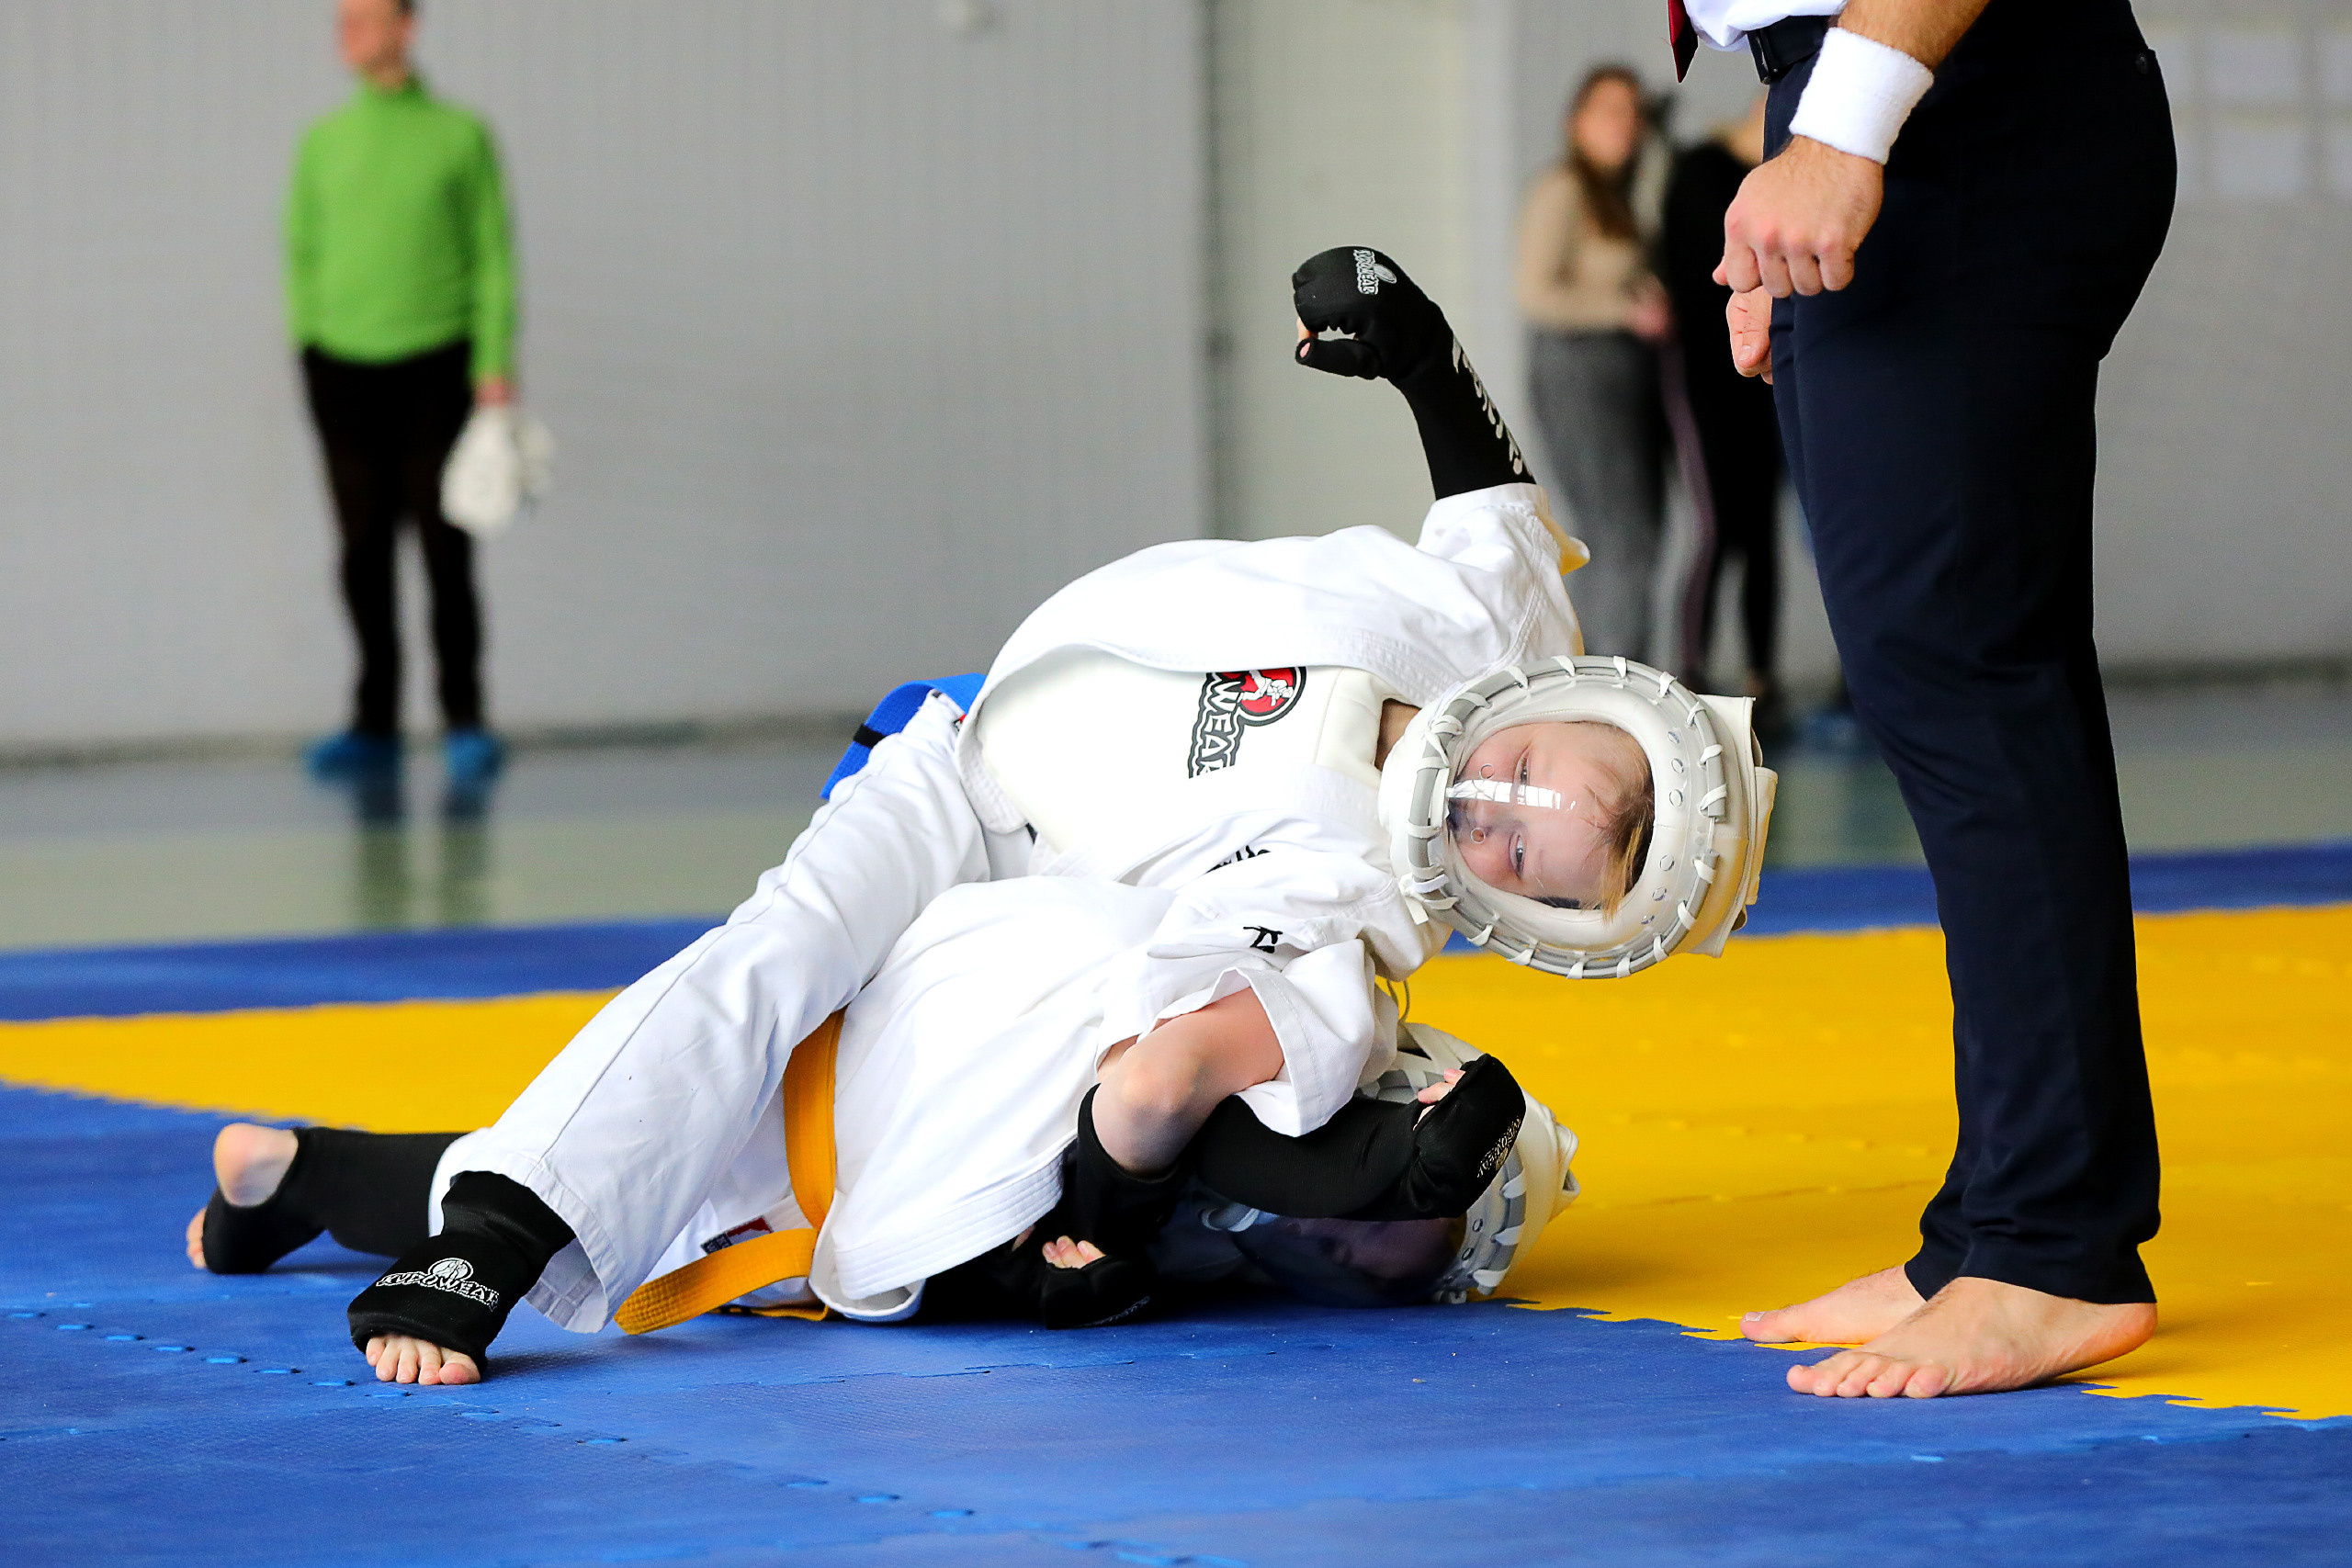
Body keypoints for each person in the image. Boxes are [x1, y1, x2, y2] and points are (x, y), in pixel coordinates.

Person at [193, 249, 1774, 1386]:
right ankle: (311, 1183)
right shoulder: (1502, 632)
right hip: (960, 744)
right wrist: (1420, 347)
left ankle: (470, 1229)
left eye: (1515, 857)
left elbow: (1181, 1062)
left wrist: (1153, 1206)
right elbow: (1494, 502)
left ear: (1526, 915)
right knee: (763, 1004)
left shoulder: (1354, 896)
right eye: (1552, 778)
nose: (1493, 801)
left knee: (778, 982)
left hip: (1007, 876)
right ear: (1606, 706)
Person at [1686, 0, 2174, 1395]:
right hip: (1899, 98)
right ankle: (1989, 1225)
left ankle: (2051, 1246)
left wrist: (1840, 131)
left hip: (1940, 96)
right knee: (1957, 677)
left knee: (1965, 680)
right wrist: (1808, 142)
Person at [288, 0, 516, 785]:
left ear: (405, 27)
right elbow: (301, 251)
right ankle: (373, 721)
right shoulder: (323, 142)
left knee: (446, 549)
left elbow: (494, 255)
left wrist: (493, 365)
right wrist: (311, 340)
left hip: (438, 367)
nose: (347, 31)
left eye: (365, 16)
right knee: (361, 550)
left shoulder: (460, 135)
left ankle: (465, 718)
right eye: (341, 18)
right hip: (342, 369)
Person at [1515, 65, 1673, 662]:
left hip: (1622, 374)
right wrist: (1626, 309)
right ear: (1574, 123)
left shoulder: (1623, 196)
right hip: (1579, 373)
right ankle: (1607, 686)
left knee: (1635, 537)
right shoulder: (1561, 190)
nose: (1624, 126)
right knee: (1618, 539)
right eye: (1608, 111)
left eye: (1633, 113)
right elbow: (1535, 292)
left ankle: (1607, 674)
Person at [1657, 93, 1784, 730]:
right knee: (1716, 527)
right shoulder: (1700, 169)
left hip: (1762, 377)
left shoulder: (1780, 176)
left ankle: (1764, 676)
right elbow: (1700, 274)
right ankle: (1691, 672)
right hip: (1705, 377)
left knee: (1762, 532)